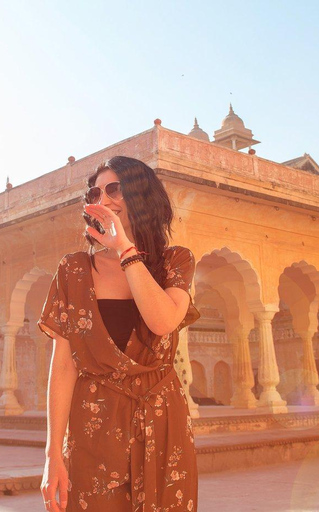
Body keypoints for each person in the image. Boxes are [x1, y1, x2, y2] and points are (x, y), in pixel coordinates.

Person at [38, 156, 201, 511]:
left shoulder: (174, 262)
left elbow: (162, 321)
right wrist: (53, 453)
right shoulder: (75, 270)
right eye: (97, 192)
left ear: (141, 196)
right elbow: (63, 367)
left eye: (115, 189)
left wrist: (125, 250)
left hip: (162, 422)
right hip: (94, 426)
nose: (104, 198)